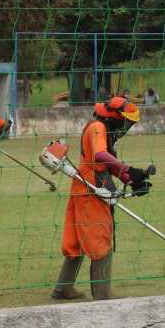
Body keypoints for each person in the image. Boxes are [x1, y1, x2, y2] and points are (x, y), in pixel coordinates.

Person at [52, 96, 151, 300]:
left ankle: (63, 289)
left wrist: (131, 179)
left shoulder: (102, 127)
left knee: (77, 240)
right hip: (90, 190)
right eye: (126, 122)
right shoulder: (98, 127)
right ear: (116, 117)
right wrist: (128, 169)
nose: (127, 127)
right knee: (100, 239)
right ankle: (103, 294)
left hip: (84, 187)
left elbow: (107, 164)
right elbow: (99, 156)